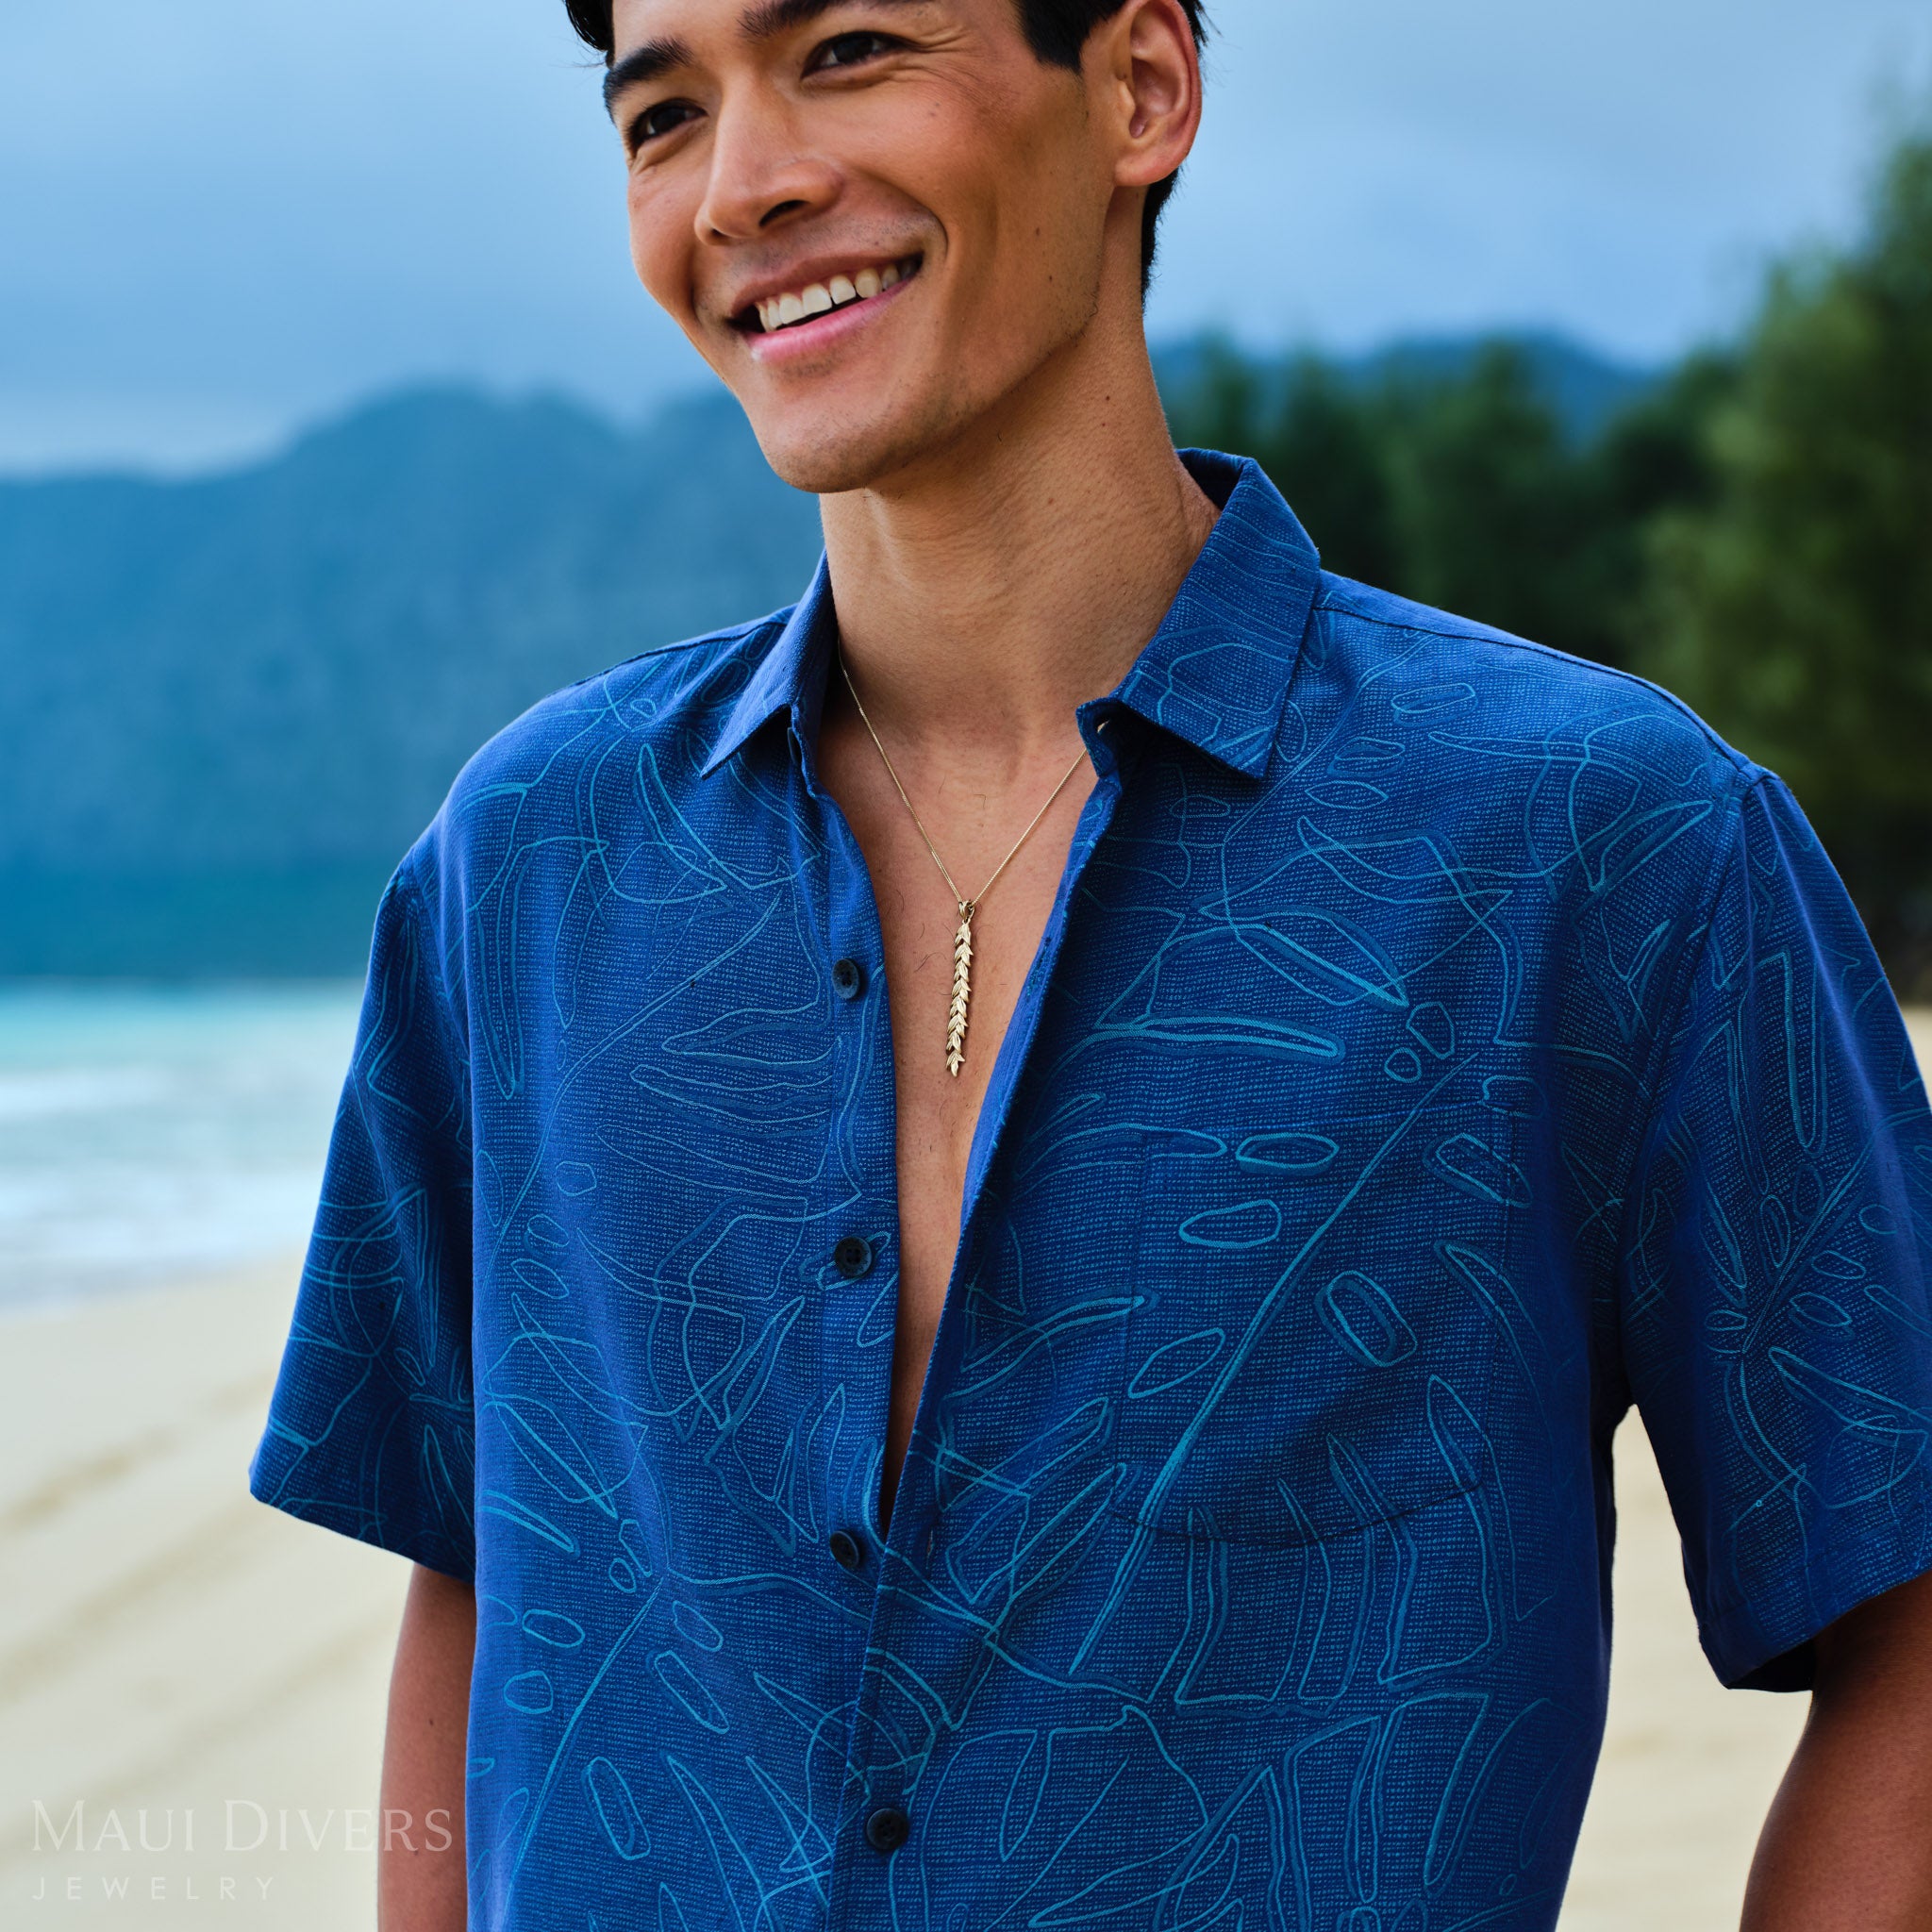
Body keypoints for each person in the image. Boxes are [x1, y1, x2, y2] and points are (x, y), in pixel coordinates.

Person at [247, 0, 1932, 1925]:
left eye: (852, 48)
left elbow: (1910, 1620)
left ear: (1138, 89)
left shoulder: (1593, 845)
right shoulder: (528, 869)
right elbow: (479, 1597)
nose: (745, 183)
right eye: (661, 112)